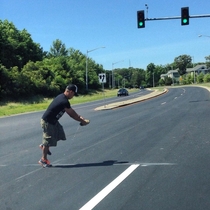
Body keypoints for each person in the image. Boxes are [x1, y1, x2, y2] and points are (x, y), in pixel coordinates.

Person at [39, 84, 89, 167]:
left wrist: (80, 118)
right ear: (70, 91)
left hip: (53, 121)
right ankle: (43, 159)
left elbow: (72, 112)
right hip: (47, 122)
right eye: (74, 94)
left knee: (60, 134)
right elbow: (72, 114)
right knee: (48, 140)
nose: (73, 96)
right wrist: (81, 120)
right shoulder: (64, 101)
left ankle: (44, 145)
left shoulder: (62, 97)